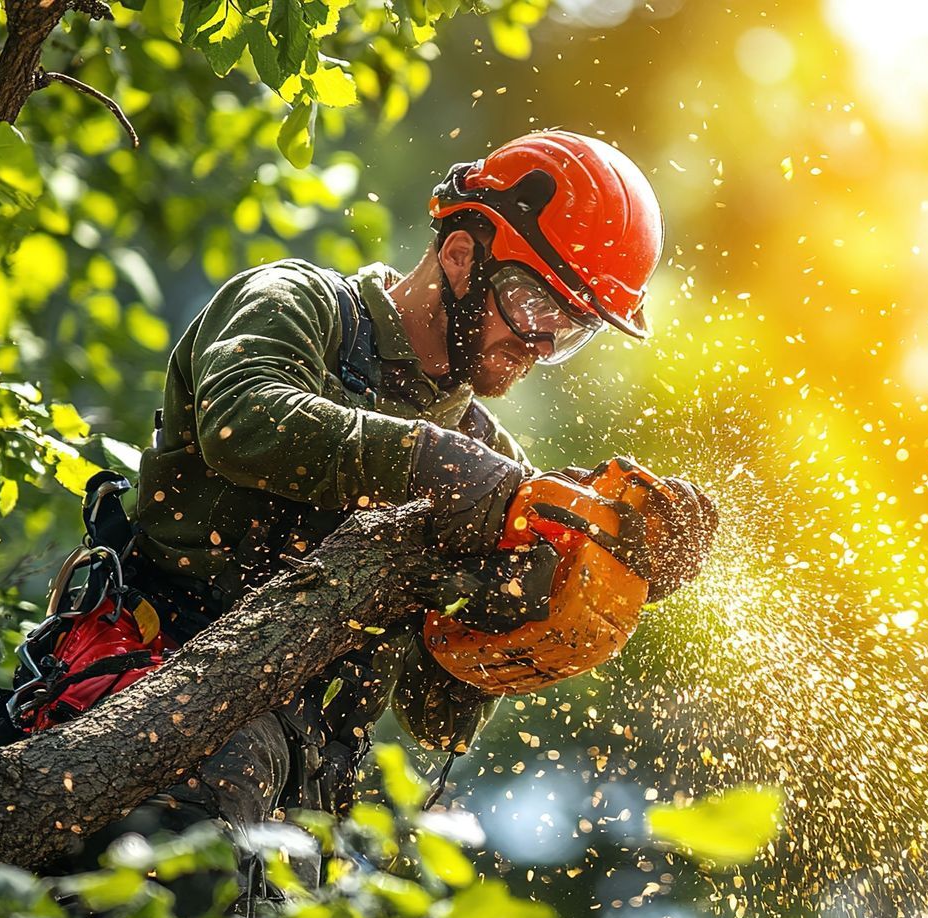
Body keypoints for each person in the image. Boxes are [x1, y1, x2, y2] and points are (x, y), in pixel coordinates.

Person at [120, 129, 717, 832]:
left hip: (304, 797)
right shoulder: (301, 307)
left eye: (571, 329)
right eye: (534, 307)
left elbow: (435, 718)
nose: (540, 344)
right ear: (462, 255)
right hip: (156, 704)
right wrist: (440, 472)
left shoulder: (492, 466)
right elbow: (242, 422)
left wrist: (537, 598)